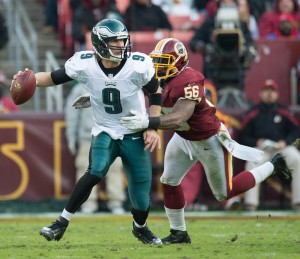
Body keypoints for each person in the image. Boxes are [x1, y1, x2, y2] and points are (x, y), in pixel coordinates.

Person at [120, 37, 294, 244]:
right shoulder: (154, 77)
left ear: (179, 63)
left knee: (224, 193)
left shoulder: (189, 79)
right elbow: (129, 91)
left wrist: (146, 122)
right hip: (183, 137)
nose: (158, 67)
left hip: (208, 140)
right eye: (157, 61)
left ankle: (272, 166)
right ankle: (179, 233)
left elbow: (179, 117)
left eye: (164, 62)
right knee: (169, 181)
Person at [12, 18, 163, 244]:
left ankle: (140, 227)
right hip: (104, 129)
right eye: (115, 42)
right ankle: (60, 223)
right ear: (101, 45)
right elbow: (53, 78)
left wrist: (152, 127)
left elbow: (156, 92)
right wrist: (30, 78)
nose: (122, 46)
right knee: (96, 170)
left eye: (123, 41)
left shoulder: (138, 65)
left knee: (140, 199)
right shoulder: (85, 63)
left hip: (133, 132)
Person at [237, 79, 300, 211]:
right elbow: (242, 136)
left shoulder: (284, 111)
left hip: (281, 148)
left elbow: (295, 131)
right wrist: (256, 142)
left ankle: (298, 202)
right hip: (261, 149)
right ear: (261, 93)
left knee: (297, 158)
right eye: (266, 90)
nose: (269, 94)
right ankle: (251, 203)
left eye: (272, 91)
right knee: (251, 163)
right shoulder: (253, 112)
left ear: (277, 94)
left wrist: (285, 142)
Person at [65, 83, 126, 214]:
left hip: (112, 135)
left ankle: (116, 201)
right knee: (84, 169)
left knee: (114, 168)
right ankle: (88, 202)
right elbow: (72, 115)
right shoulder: (80, 88)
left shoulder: (116, 83)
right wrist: (71, 136)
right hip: (88, 136)